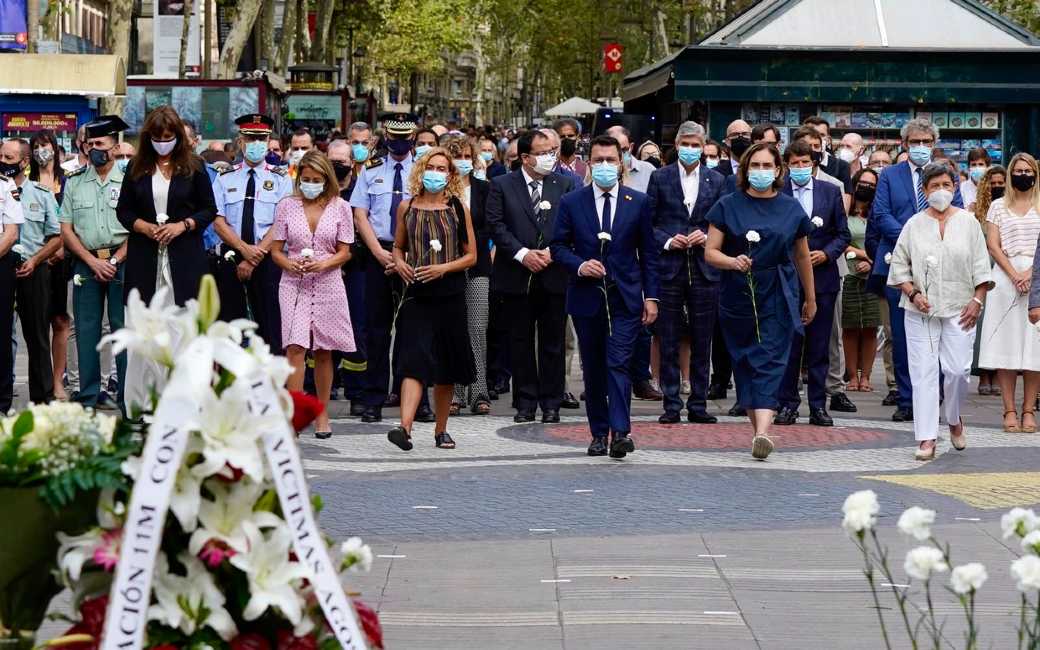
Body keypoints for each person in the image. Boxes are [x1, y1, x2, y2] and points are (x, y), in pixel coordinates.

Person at [704, 143, 816, 460]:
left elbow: (802, 254)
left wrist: (810, 296)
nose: (762, 171)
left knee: (771, 359)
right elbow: (710, 251)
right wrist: (732, 262)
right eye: (756, 165)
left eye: (768, 165)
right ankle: (759, 432)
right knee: (745, 361)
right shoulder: (727, 205)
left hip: (779, 290)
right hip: (737, 292)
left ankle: (764, 431)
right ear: (745, 169)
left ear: (779, 170)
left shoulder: (791, 208)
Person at [550, 135, 659, 458]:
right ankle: (599, 433)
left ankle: (621, 431)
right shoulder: (573, 202)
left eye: (610, 160)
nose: (604, 166)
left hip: (625, 298)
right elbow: (558, 247)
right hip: (587, 297)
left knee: (619, 363)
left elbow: (649, 254)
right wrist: (580, 265)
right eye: (598, 160)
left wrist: (651, 297)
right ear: (590, 162)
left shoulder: (637, 202)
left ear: (622, 162)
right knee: (594, 368)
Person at [888, 162, 992, 461]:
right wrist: (914, 293)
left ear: (955, 187)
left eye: (946, 185)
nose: (941, 191)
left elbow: (981, 268)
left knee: (957, 370)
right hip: (920, 310)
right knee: (923, 372)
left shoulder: (969, 223)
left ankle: (954, 418)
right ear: (924, 191)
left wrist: (977, 301)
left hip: (961, 307)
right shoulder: (914, 225)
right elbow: (899, 266)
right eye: (934, 186)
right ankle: (926, 437)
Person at [872, 118, 963, 422]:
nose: (921, 147)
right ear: (904, 144)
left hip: (941, 266)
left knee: (938, 331)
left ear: (934, 144)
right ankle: (908, 399)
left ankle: (934, 394)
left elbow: (958, 211)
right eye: (915, 142)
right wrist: (913, 239)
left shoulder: (947, 174)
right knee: (901, 334)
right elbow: (880, 214)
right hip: (899, 262)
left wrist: (929, 242)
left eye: (926, 142)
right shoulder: (890, 175)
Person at [386, 147, 477, 451]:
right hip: (416, 293)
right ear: (421, 170)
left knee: (447, 363)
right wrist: (399, 262)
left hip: (450, 293)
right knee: (413, 358)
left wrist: (443, 269)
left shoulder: (456, 208)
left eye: (442, 168)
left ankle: (441, 429)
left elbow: (471, 256)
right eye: (431, 167)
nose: (435, 173)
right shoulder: (407, 206)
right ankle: (405, 427)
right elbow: (398, 246)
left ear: (450, 175)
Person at [486, 129, 577, 423]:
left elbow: (573, 225)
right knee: (520, 340)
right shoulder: (502, 184)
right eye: (543, 152)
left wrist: (553, 252)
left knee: (553, 342)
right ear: (525, 157)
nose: (550, 157)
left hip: (554, 274)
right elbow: (496, 225)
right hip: (516, 274)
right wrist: (523, 254)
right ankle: (525, 402)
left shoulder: (565, 184)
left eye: (553, 151)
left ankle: (552, 402)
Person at [270, 151, 355, 438]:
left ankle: (321, 413)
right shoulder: (287, 206)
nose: (310, 184)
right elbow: (275, 250)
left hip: (329, 281)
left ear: (326, 180)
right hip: (293, 282)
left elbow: (345, 252)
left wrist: (324, 263)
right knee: (294, 347)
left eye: (316, 180)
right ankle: (293, 414)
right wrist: (290, 264)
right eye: (305, 179)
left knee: (323, 350)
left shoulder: (340, 207)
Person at [647, 121, 724, 424]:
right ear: (677, 145)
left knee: (703, 338)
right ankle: (670, 403)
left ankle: (699, 403)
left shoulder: (716, 180)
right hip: (670, 267)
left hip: (704, 268)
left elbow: (723, 221)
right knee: (668, 336)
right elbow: (649, 223)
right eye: (686, 143)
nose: (691, 149)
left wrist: (707, 236)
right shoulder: (660, 177)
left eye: (696, 144)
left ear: (704, 146)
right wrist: (667, 239)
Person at [775, 141, 851, 427]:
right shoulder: (779, 192)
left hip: (823, 279)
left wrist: (826, 253)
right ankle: (787, 403)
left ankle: (818, 405)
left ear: (815, 162)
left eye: (805, 162)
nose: (800, 167)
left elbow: (843, 234)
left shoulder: (830, 192)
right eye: (794, 163)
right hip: (787, 278)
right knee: (790, 345)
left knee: (820, 346)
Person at [350, 115, 418, 423]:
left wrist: (404, 255)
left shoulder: (423, 170)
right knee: (377, 330)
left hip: (414, 256)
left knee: (411, 330)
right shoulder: (371, 170)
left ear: (413, 139)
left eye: (405, 138)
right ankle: (373, 398)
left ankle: (412, 398)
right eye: (394, 137)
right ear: (386, 137)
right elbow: (360, 214)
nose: (399, 143)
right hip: (377, 253)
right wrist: (378, 252)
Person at [59, 116, 129, 411]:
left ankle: (126, 396)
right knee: (86, 329)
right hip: (86, 264)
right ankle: (88, 395)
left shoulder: (128, 180)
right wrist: (91, 261)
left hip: (121, 261)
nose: (94, 149)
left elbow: (137, 227)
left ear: (114, 147)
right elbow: (66, 229)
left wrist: (113, 260)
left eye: (100, 144)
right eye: (90, 144)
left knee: (122, 329)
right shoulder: (75, 183)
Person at [116, 106, 216, 306]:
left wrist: (183, 225)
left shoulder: (194, 166)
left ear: (178, 136)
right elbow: (123, 211)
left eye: (168, 138)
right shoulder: (136, 167)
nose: (162, 143)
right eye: (157, 138)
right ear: (148, 138)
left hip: (185, 257)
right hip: (145, 257)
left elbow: (209, 209)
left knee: (183, 323)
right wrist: (144, 227)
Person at [211, 114, 294, 347]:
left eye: (261, 138)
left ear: (268, 142)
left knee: (270, 327)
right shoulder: (225, 176)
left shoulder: (281, 178)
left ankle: (269, 381)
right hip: (231, 257)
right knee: (230, 328)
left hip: (266, 259)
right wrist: (243, 250)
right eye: (250, 137)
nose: (255, 143)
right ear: (240, 141)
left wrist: (254, 256)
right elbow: (218, 221)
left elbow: (282, 221)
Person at [978, 154, 1040, 432]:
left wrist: (1030, 273)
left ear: (1036, 174)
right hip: (1005, 279)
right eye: (1019, 170)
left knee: (1034, 347)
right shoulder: (998, 206)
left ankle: (1029, 410)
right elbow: (993, 244)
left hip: (1036, 278)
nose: (1023, 174)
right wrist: (1014, 274)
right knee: (1006, 346)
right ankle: (1009, 411)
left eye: (1028, 170)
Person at [1, 138, 60, 404]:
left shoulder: (41, 193)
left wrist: (36, 260)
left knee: (37, 336)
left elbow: (57, 236)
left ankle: (43, 399)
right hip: (3, 267)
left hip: (33, 269)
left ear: (25, 162)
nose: (3, 162)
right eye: (1, 156)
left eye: (9, 159)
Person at [442, 136, 493, 415]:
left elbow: (493, 226)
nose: (462, 160)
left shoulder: (486, 189)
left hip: (478, 268)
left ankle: (479, 391)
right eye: (456, 156)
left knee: (477, 328)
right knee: (453, 329)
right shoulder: (440, 192)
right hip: (447, 269)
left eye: (466, 155)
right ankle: (455, 393)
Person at [29, 130, 72, 401]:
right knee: (36, 325)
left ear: (55, 148)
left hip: (62, 259)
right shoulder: (27, 182)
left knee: (60, 321)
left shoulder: (68, 182)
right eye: (35, 146)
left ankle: (58, 382)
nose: (40, 150)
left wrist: (64, 248)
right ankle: (41, 383)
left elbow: (74, 220)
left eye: (45, 145)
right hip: (35, 260)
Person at [842, 168, 882, 392]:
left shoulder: (877, 213)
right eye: (862, 183)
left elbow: (883, 242)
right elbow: (838, 239)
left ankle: (865, 377)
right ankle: (851, 376)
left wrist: (873, 262)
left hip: (872, 276)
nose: (866, 188)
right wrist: (862, 254)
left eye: (871, 184)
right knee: (849, 327)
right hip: (847, 274)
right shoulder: (843, 211)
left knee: (869, 327)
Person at [972, 165, 1006, 396]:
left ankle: (998, 374)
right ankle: (984, 373)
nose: (997, 186)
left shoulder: (1013, 208)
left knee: (1001, 324)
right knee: (982, 325)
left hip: (1006, 271)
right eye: (992, 183)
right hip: (984, 270)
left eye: (1000, 183)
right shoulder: (976, 212)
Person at [804, 116, 852, 192]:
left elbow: (844, 201)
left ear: (828, 140)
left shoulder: (841, 166)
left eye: (822, 135)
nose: (817, 138)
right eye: (812, 134)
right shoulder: (792, 163)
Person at [607, 126, 655, 194]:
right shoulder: (599, 171)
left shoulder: (648, 170)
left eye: (624, 150)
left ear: (631, 147)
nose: (620, 156)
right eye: (614, 151)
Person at [962, 148, 991, 212]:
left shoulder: (993, 185)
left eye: (981, 164)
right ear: (969, 167)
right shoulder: (962, 187)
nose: (977, 167)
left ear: (987, 167)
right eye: (973, 165)